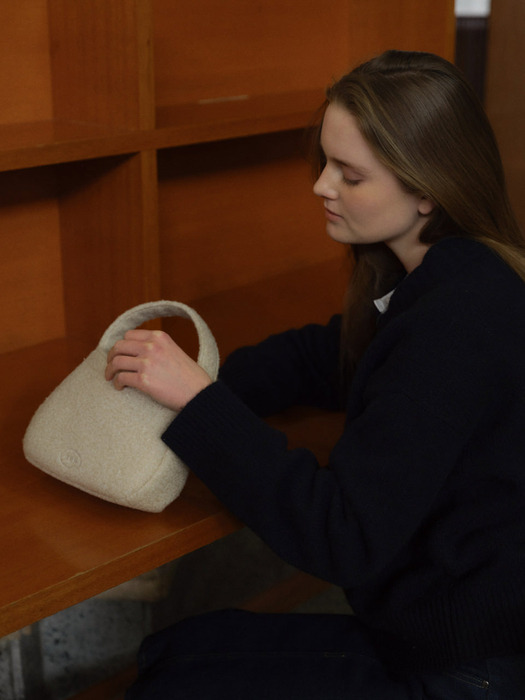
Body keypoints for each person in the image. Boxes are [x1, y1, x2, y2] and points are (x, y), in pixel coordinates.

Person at [106, 50, 525, 698]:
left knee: (169, 681)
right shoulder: (453, 273)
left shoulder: (457, 325)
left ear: (425, 191)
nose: (320, 186)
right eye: (324, 161)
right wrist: (206, 380)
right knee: (171, 652)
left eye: (349, 175)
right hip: (439, 636)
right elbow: (331, 355)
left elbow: (342, 535)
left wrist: (197, 404)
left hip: (462, 672)